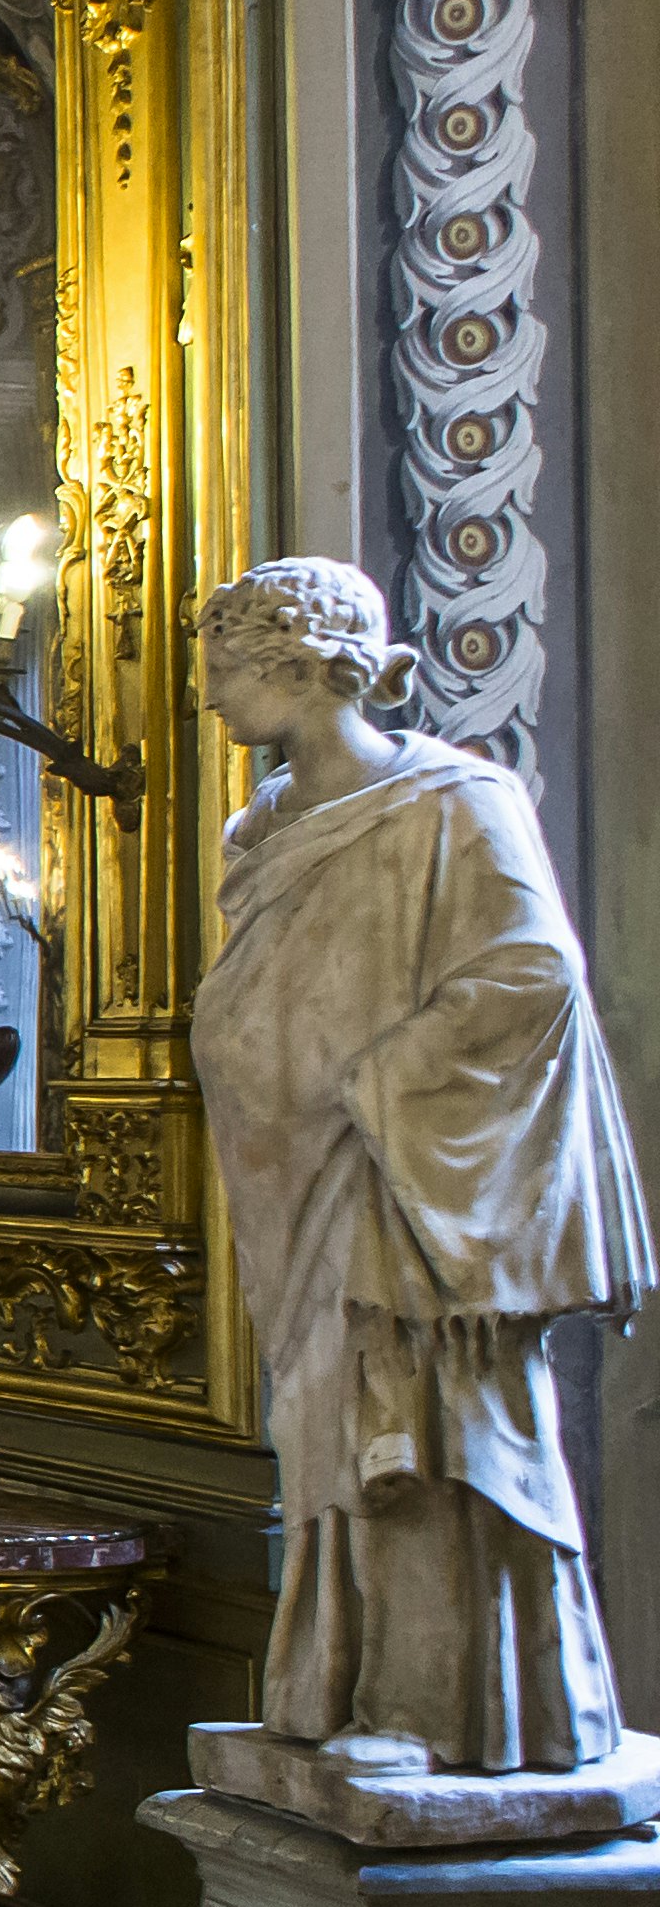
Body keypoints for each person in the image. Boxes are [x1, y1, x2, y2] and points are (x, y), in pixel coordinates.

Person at [192, 559, 645, 1771]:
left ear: (301, 666)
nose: (211, 699)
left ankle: (447, 1709)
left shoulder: (455, 801)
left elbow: (532, 977)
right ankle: (347, 1686)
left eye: (227, 671)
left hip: (408, 1179)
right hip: (301, 1179)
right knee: (327, 1428)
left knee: (428, 1429)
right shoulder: (265, 827)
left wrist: (378, 1079)